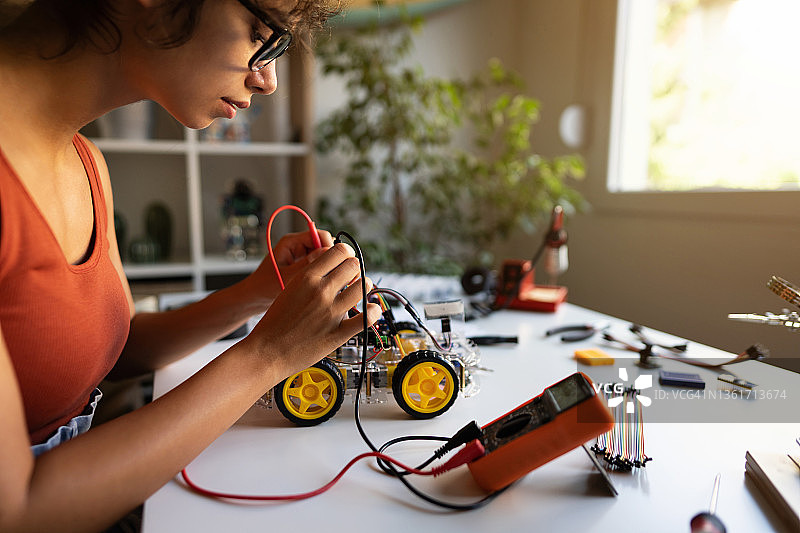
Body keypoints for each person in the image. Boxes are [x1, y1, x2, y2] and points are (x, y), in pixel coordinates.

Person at [0, 1, 381, 531]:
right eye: (260, 34)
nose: (268, 79)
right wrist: (267, 357)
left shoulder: (84, 162)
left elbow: (100, 350)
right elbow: (16, 511)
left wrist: (256, 294)